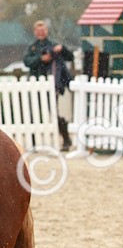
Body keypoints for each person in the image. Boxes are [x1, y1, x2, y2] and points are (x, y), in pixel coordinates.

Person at [22, 20, 73, 150]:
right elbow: (27, 61)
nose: (41, 33)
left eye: (43, 30)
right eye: (39, 31)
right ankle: (33, 143)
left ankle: (66, 140)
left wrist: (62, 49)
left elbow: (69, 57)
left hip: (51, 84)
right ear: (35, 32)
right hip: (36, 84)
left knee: (54, 113)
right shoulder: (32, 47)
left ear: (46, 31)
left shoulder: (53, 44)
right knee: (33, 113)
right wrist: (40, 59)